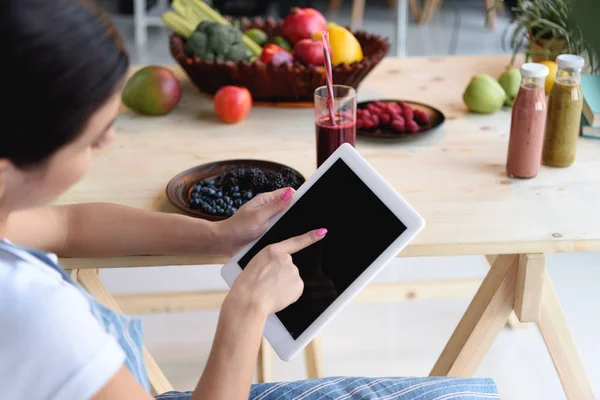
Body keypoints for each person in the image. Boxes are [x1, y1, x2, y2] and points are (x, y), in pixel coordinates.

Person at [0, 0, 499, 399]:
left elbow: (67, 226)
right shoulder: (33, 315)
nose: (108, 143)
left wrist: (218, 236)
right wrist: (246, 311)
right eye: (92, 139)